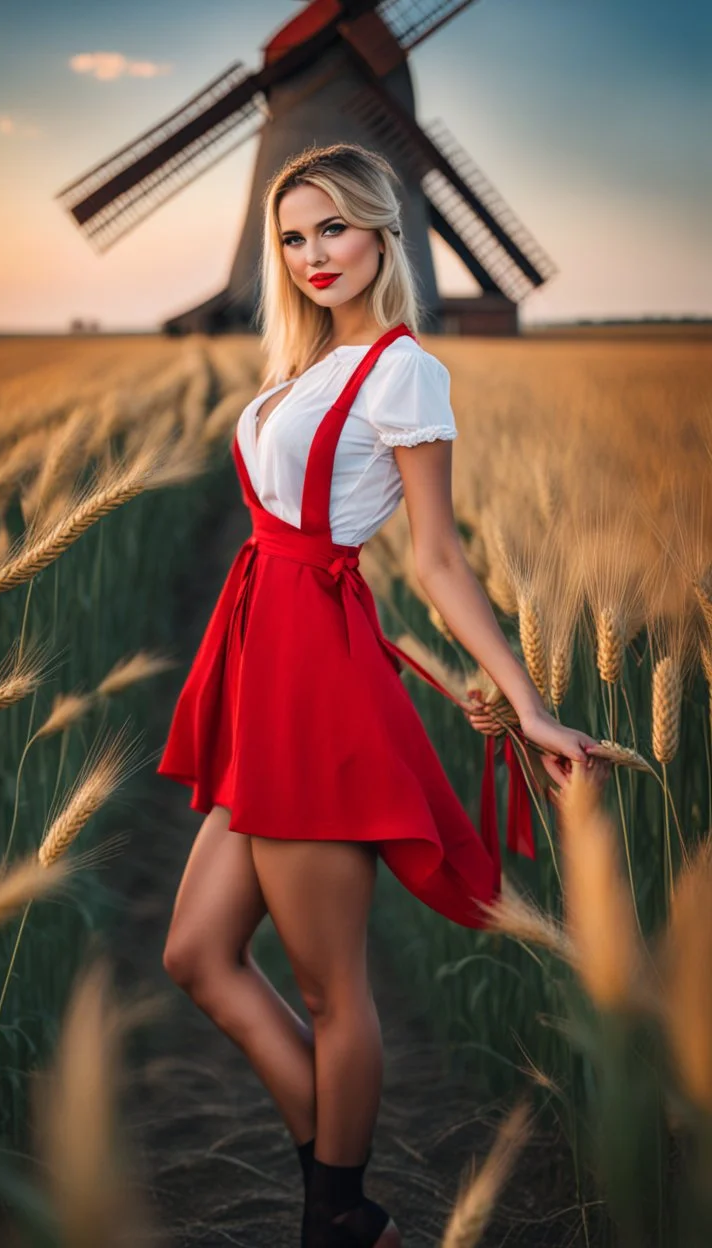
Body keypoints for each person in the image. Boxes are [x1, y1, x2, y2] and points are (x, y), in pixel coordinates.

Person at [156, 143, 603, 1248]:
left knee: (329, 992)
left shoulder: (402, 370)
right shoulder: (299, 370)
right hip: (262, 659)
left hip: (316, 684)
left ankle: (334, 1213)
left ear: (381, 234)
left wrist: (530, 705)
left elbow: (440, 561)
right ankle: (350, 1204)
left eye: (334, 230)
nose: (313, 254)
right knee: (197, 958)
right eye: (294, 236)